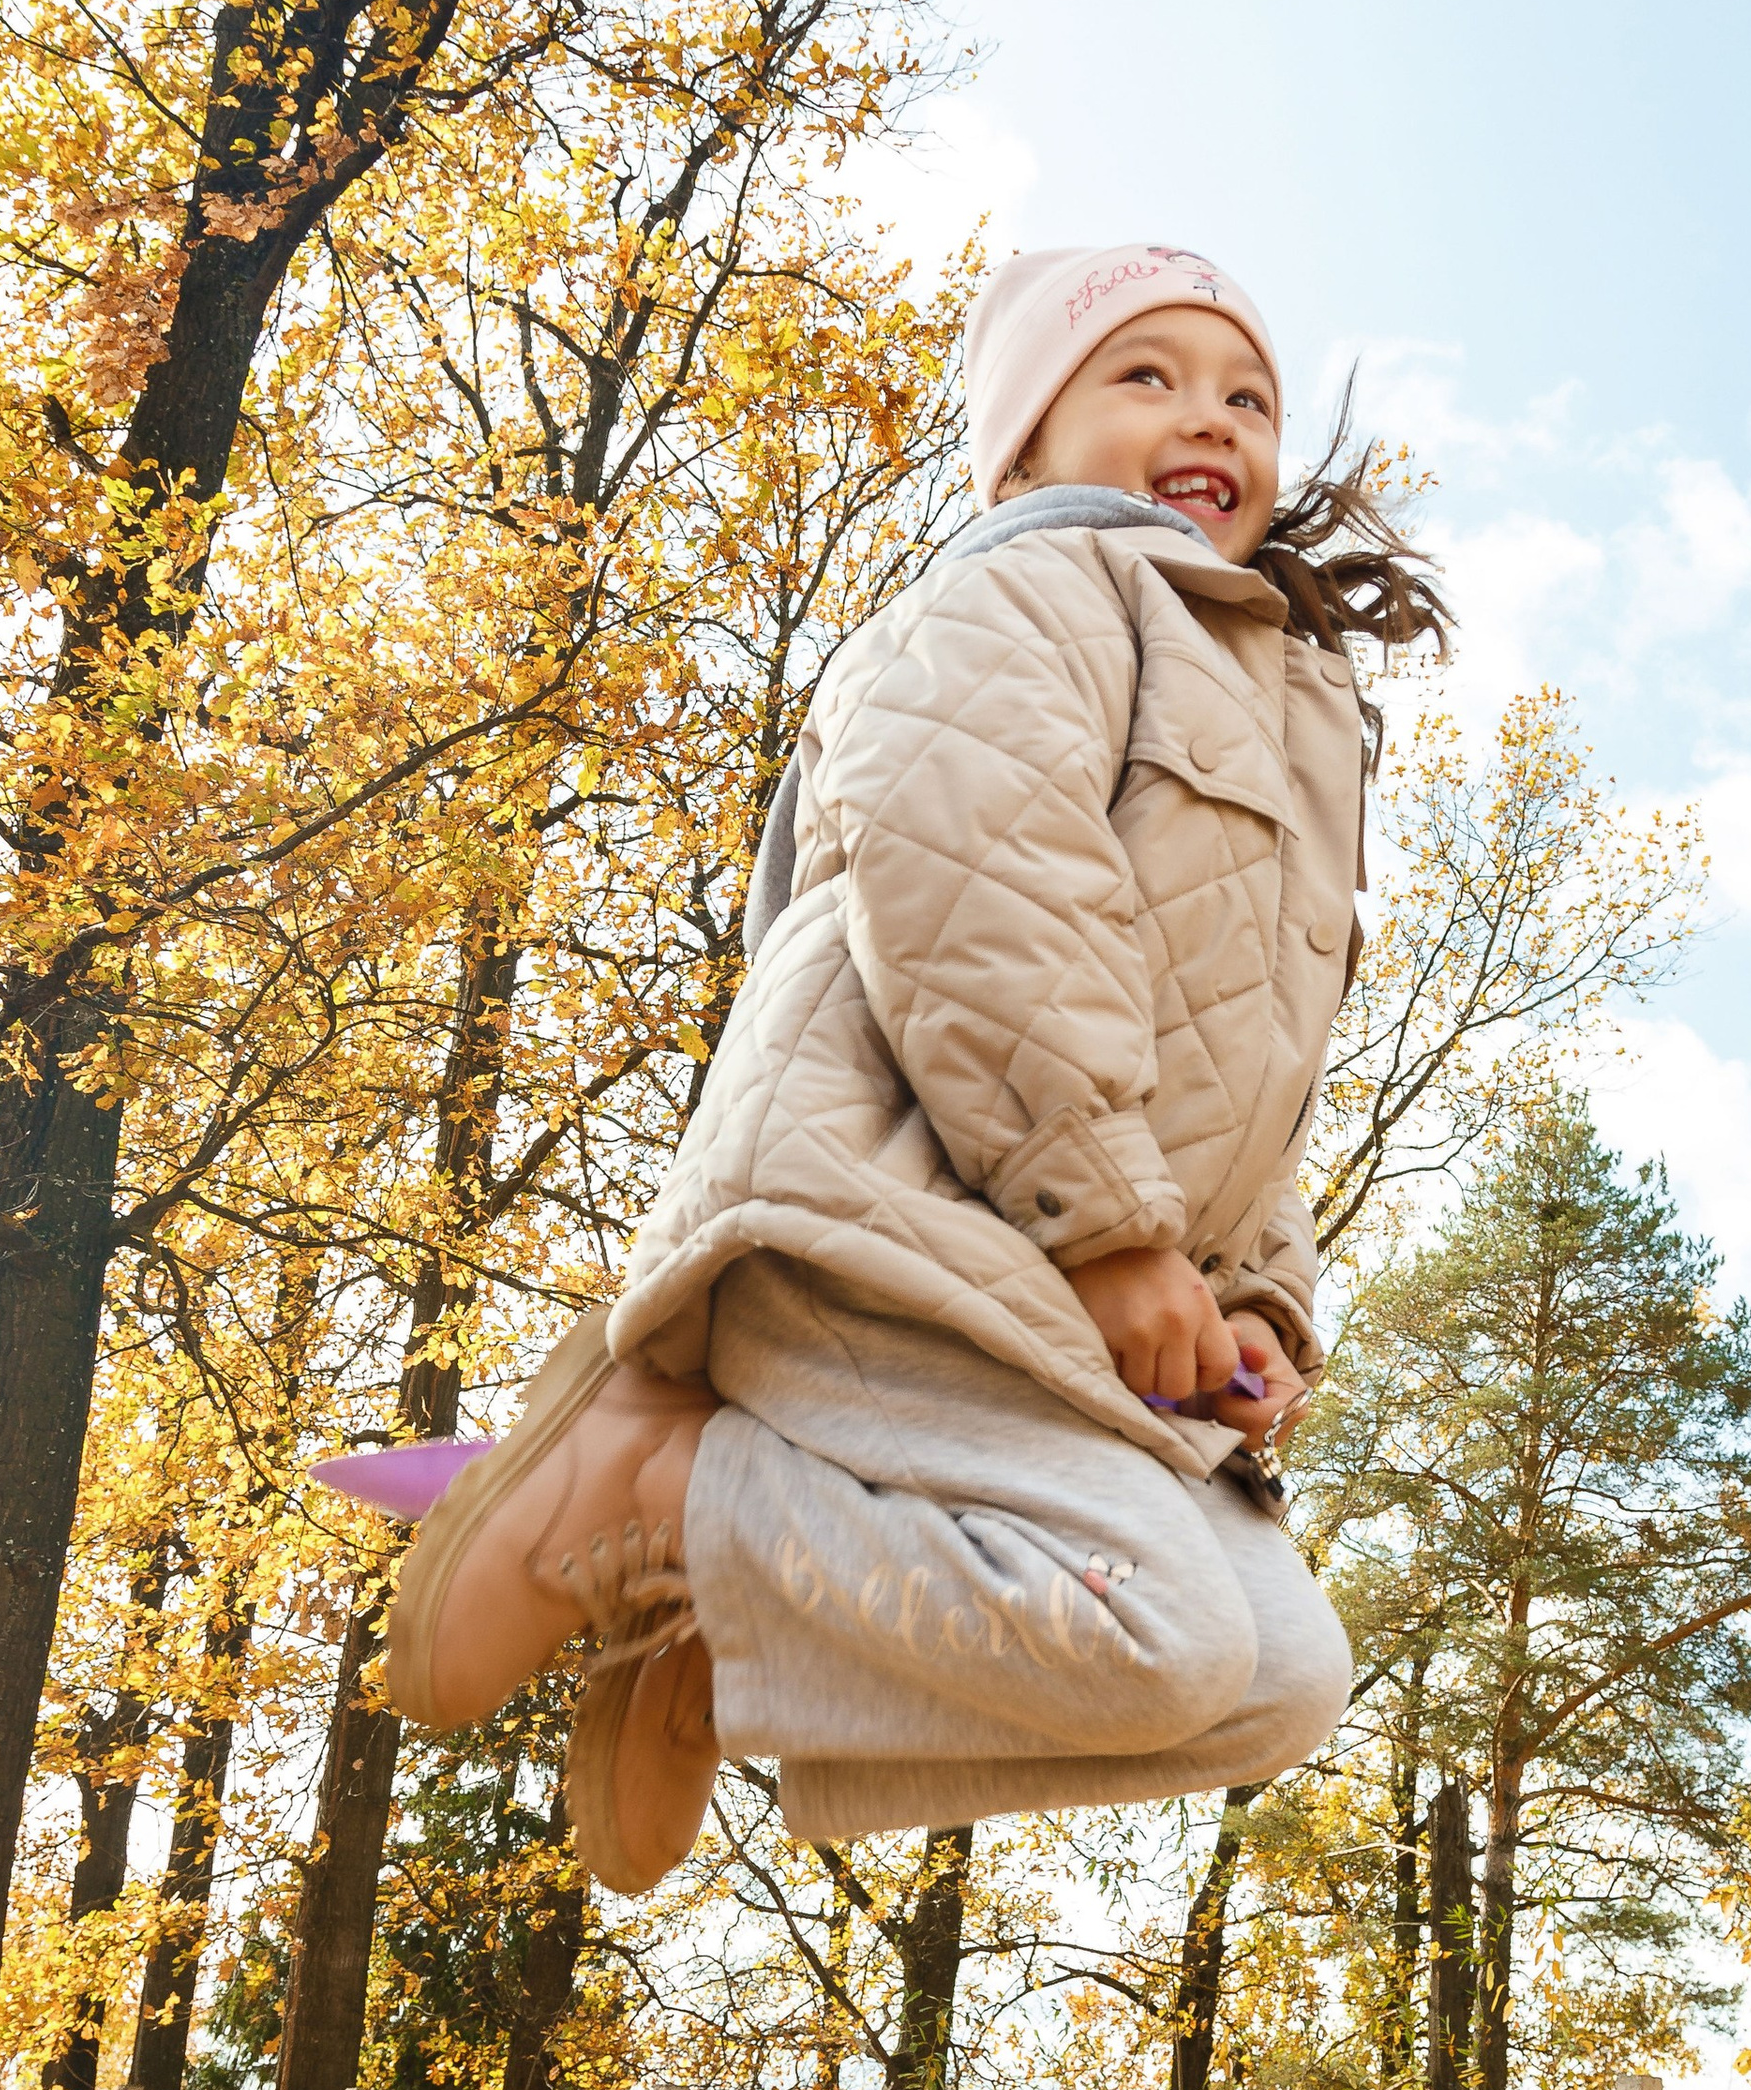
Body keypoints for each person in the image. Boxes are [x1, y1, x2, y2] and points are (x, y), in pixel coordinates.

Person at [379, 239, 1449, 1889]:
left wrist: (1256, 1302)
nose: (1213, 419)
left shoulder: (1270, 693)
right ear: (1021, 446)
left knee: (1283, 1680)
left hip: (1045, 1260)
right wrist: (1112, 1228)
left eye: (1249, 395)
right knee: (1160, 1634)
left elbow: (1249, 1081)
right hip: (894, 1214)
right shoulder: (1029, 593)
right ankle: (657, 1483)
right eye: (1145, 377)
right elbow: (980, 882)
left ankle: (729, 1628)